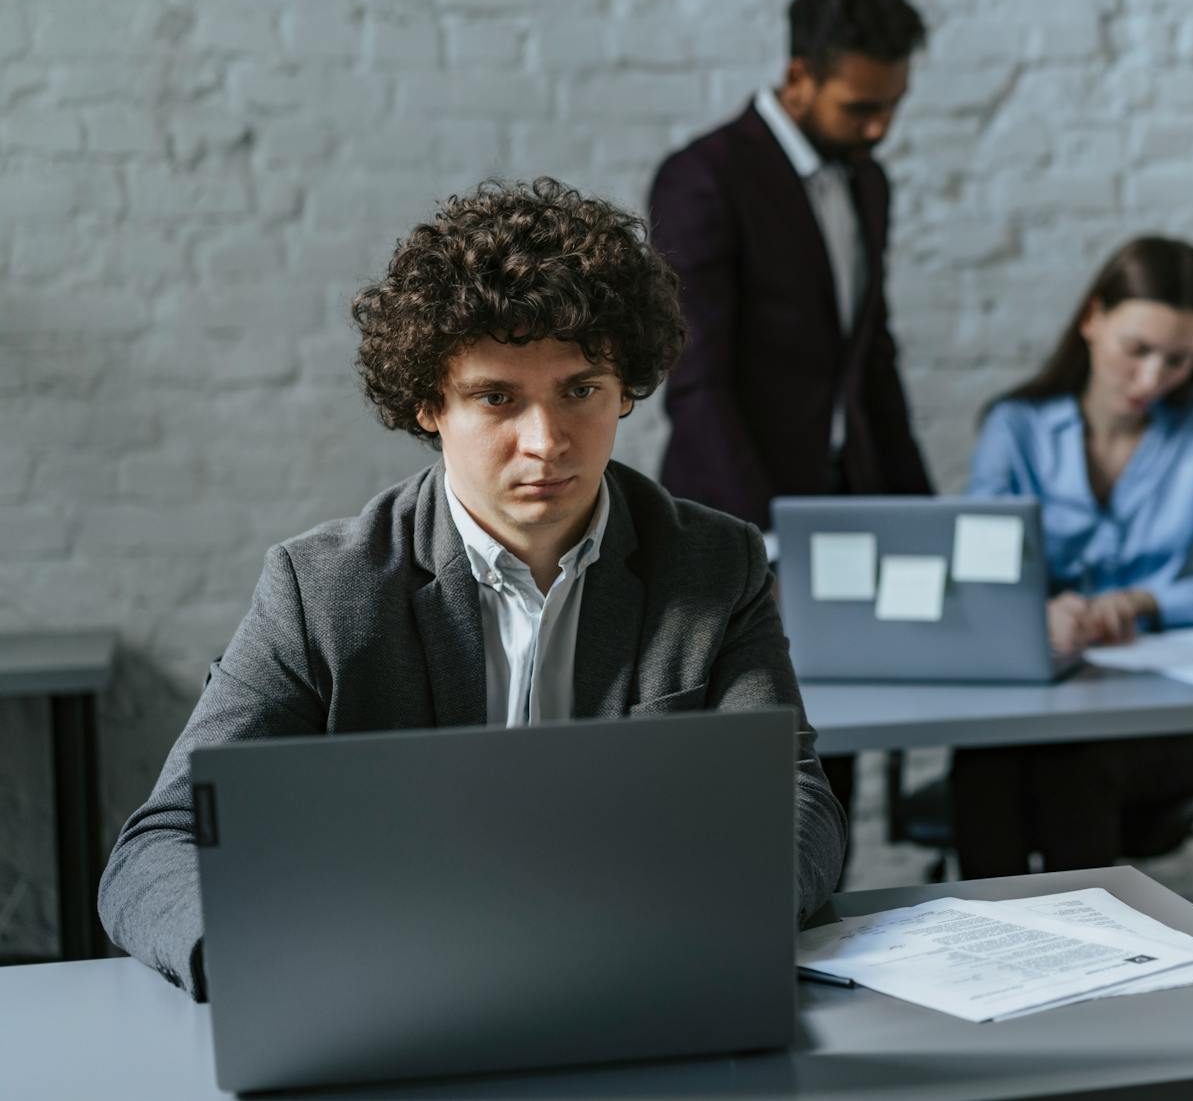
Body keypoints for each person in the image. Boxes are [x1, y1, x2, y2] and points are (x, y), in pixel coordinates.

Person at [97, 179, 845, 1000]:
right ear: (429, 403)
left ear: (625, 387)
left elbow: (794, 802)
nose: (547, 441)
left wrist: (709, 926)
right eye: (497, 397)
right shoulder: (323, 590)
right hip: (392, 998)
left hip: (639, 986)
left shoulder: (714, 564)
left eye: (580, 390)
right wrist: (259, 957)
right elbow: (158, 846)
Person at [649, 0, 935, 816]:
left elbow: (870, 360)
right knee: (744, 780)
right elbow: (698, 381)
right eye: (859, 108)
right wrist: (763, 545)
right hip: (740, 525)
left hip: (849, 515)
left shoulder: (868, 183)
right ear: (798, 76)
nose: (879, 127)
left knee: (829, 774)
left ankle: (827, 941)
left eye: (893, 106)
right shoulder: (703, 177)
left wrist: (925, 524)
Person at [948, 236, 1193, 878]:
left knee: (1071, 763)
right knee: (985, 763)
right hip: (1034, 709)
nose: (1151, 380)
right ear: (1092, 320)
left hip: (1158, 720)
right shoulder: (1015, 426)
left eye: (1178, 359)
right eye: (1136, 350)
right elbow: (978, 580)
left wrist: (1148, 601)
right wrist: (1040, 612)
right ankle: (987, 965)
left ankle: (1092, 971)